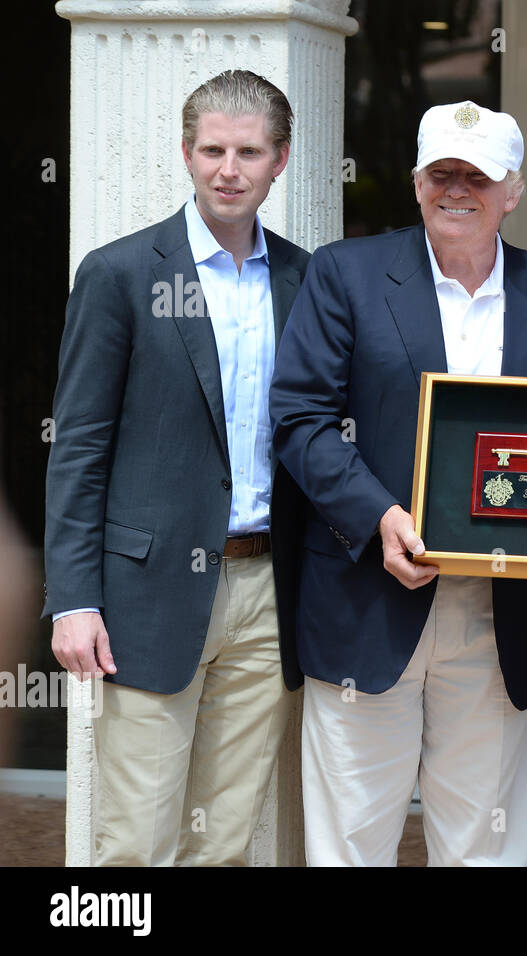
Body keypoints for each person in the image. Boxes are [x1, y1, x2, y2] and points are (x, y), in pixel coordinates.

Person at [269, 101, 527, 867]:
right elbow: (300, 420)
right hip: (369, 597)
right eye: (441, 173)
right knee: (350, 844)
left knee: (483, 847)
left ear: (513, 191)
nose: (458, 189)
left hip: (500, 613)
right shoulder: (344, 273)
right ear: (417, 184)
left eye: (477, 177)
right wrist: (379, 516)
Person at [42, 70, 311, 865]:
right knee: (136, 840)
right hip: (145, 598)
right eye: (213, 149)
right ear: (186, 154)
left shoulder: (305, 278)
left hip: (267, 595)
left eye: (249, 152)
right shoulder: (120, 274)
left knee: (224, 842)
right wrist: (74, 599)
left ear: (280, 160)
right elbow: (80, 446)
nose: (230, 169)